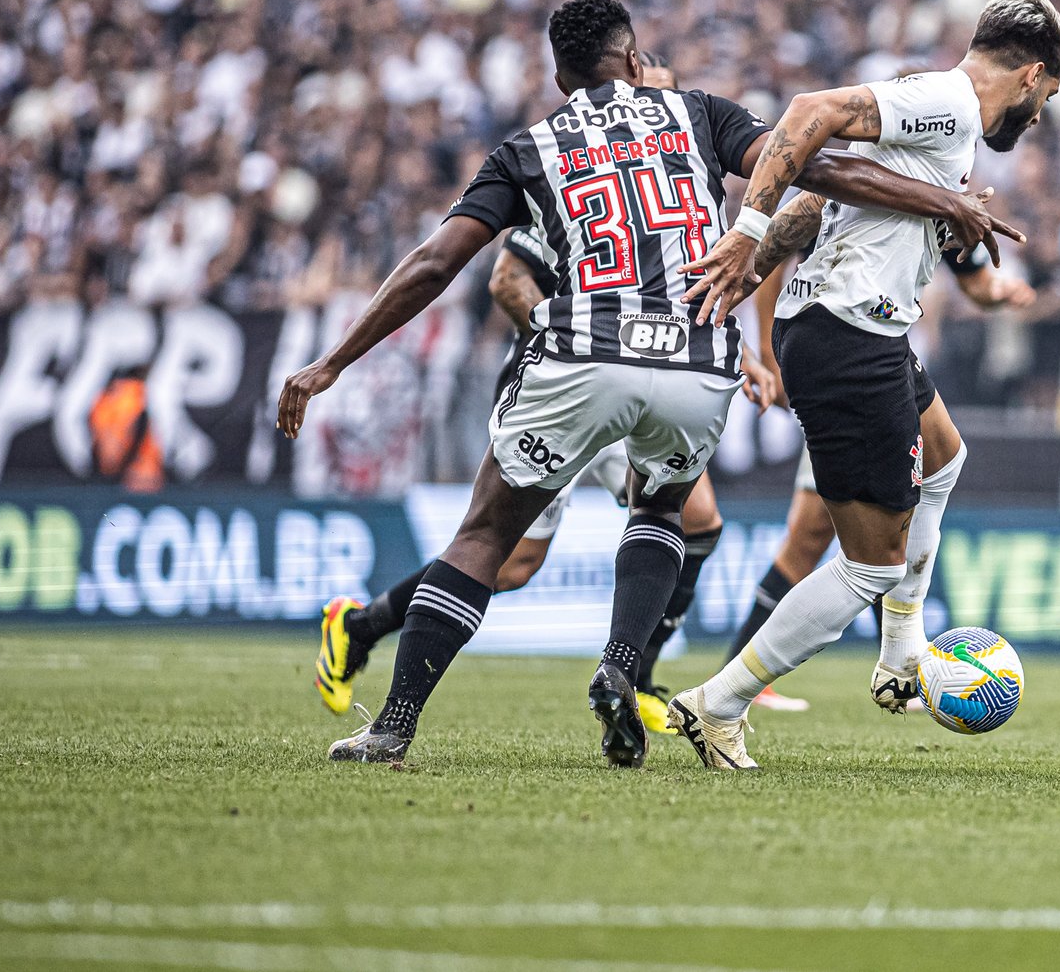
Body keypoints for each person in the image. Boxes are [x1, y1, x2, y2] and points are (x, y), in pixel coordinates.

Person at [278, 0, 1019, 766]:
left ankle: (392, 725)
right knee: (666, 508)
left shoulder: (532, 145)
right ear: (636, 59)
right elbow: (817, 162)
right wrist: (943, 199)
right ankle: (623, 671)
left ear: (560, 75)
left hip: (582, 352)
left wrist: (333, 360)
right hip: (694, 360)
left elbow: (438, 262)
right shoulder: (696, 113)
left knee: (488, 534)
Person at [664, 0, 1060, 770]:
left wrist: (746, 268)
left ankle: (899, 651)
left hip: (855, 329)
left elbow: (821, 205)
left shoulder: (939, 134)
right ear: (1029, 77)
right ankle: (718, 704)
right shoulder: (946, 104)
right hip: (849, 338)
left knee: (947, 456)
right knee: (867, 565)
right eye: (1048, 97)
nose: (1041, 115)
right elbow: (810, 110)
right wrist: (745, 228)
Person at [311, 57, 775, 734]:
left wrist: (747, 352)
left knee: (695, 518)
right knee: (514, 557)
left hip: (645, 371)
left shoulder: (677, 177)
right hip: (571, 373)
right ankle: (361, 625)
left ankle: (631, 675)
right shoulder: (583, 158)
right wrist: (574, 341)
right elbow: (506, 278)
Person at [725, 230, 1037, 713]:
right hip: (845, 363)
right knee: (837, 539)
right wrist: (768, 350)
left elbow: (976, 282)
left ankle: (894, 665)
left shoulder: (944, 199)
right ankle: (740, 679)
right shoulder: (864, 185)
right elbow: (781, 245)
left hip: (889, 366)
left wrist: (1003, 293)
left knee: (876, 526)